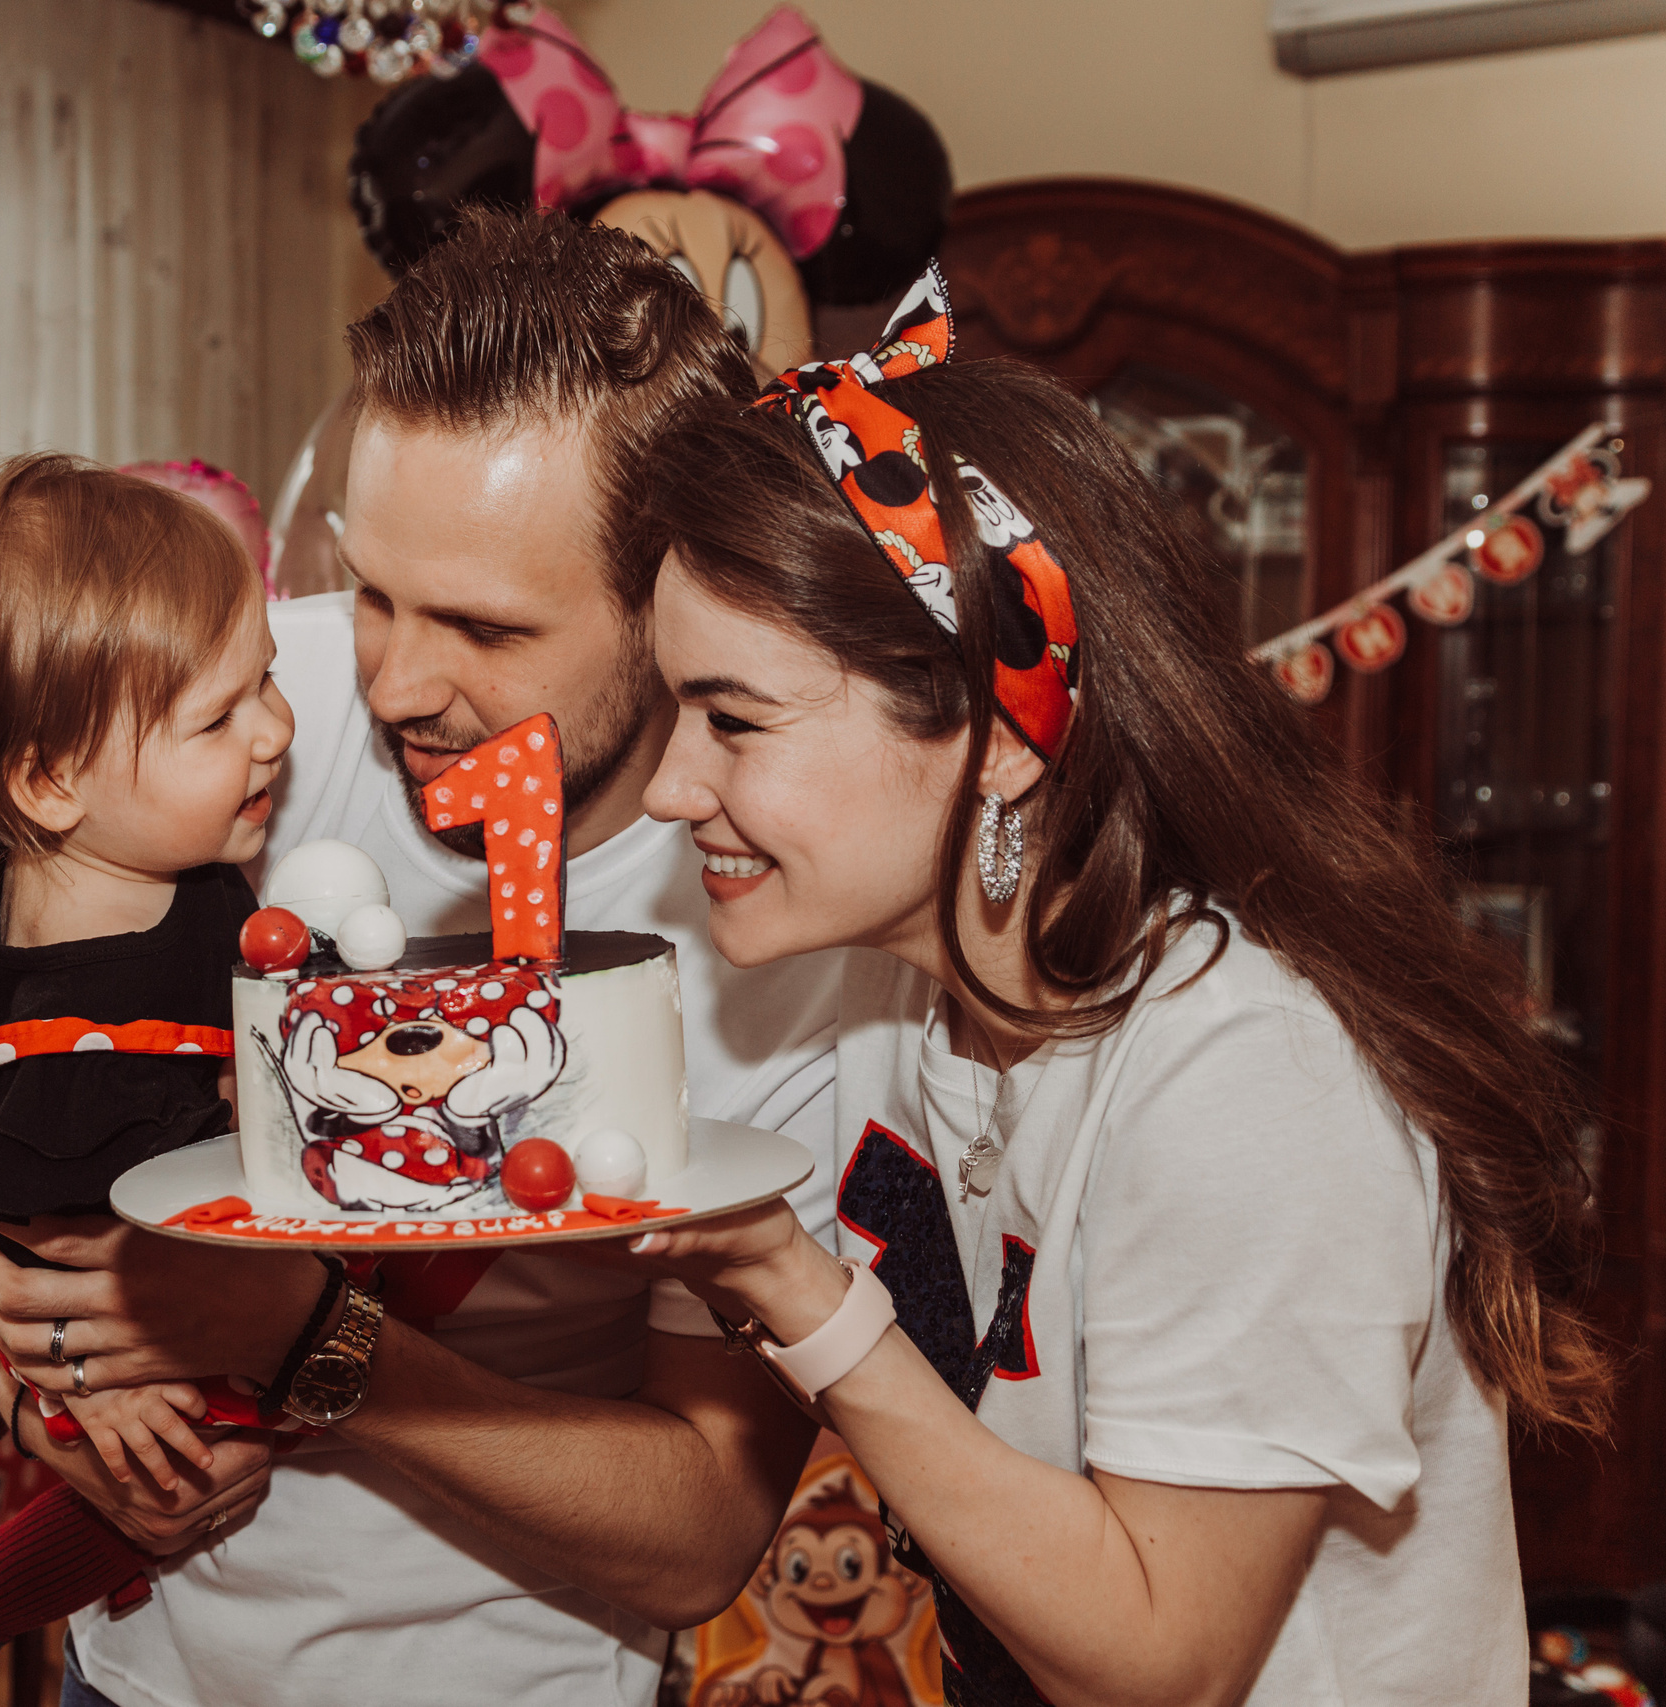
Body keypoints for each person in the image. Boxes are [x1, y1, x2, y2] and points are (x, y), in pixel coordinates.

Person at [612, 324, 1609, 1705]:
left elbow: (1160, 1664)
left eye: (733, 719)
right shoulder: (881, 988)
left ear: (1000, 733)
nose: (668, 788)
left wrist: (799, 1289)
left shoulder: (1248, 1076)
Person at [0, 210, 854, 1707]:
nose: (388, 682)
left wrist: (317, 1342)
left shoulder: (796, 925)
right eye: (372, 590)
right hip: (136, 1670)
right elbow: (18, 1078)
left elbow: (704, 1532)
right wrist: (51, 1376)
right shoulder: (240, 703)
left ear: (679, 598)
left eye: (484, 628)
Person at [0, 452, 301, 1703]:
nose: (274, 729)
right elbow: (40, 1237)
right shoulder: (83, 1038)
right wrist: (78, 1390)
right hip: (112, 1324)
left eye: (266, 678)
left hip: (83, 1277)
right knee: (191, 1471)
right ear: (49, 781)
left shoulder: (115, 851)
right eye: (218, 720)